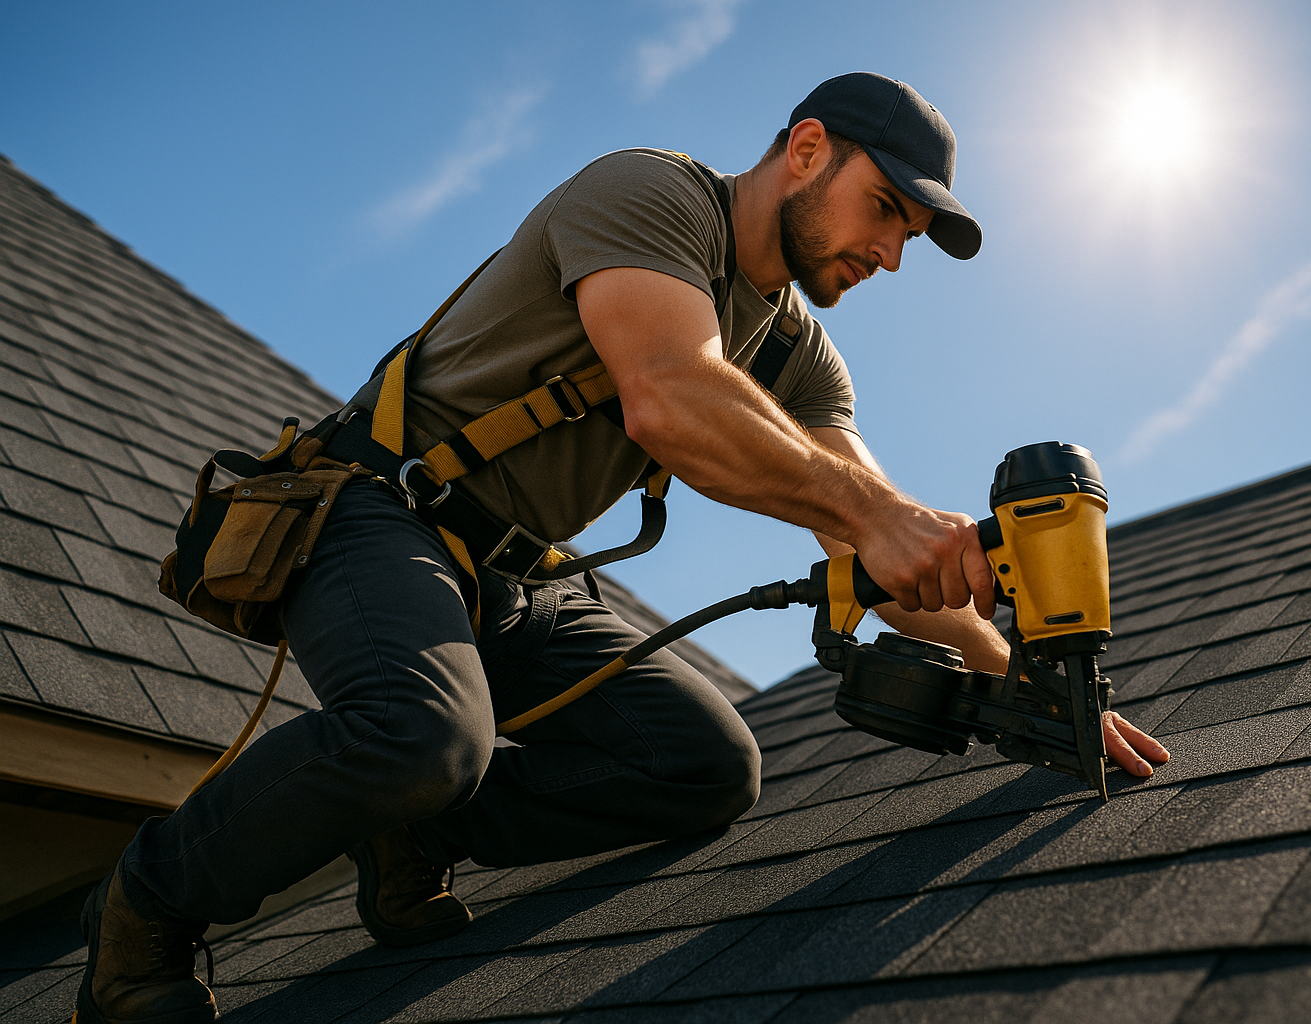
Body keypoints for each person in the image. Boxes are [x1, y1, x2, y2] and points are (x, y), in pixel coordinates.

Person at [75, 72, 1169, 1023]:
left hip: (511, 574)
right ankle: (144, 908)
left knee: (707, 766)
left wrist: (1033, 685)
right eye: (883, 209)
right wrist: (882, 520)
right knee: (420, 732)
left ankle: (412, 833)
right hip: (381, 513)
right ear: (804, 151)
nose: (889, 252)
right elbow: (670, 398)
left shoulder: (800, 354)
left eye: (909, 238)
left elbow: (866, 523)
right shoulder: (649, 194)